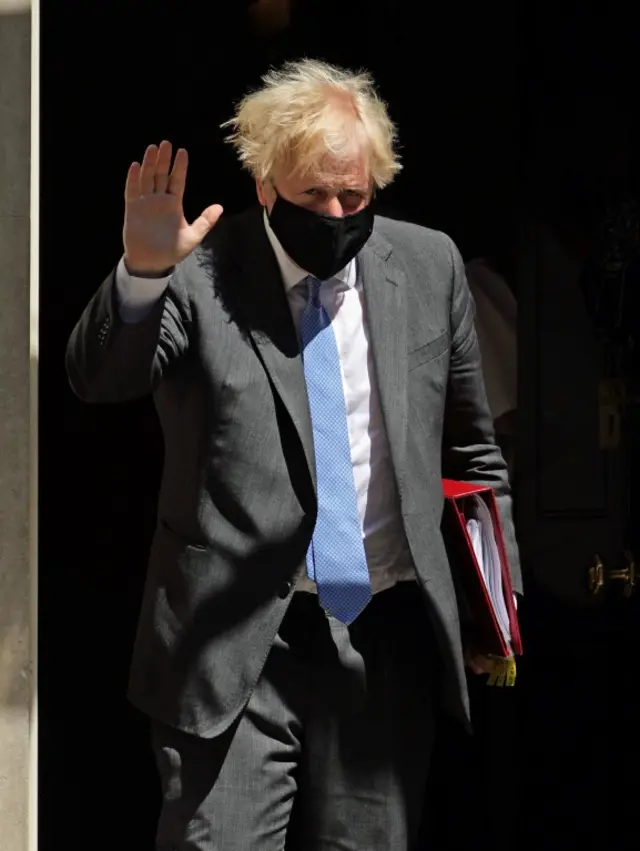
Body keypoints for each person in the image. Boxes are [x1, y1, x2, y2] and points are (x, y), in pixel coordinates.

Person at [66, 59, 521, 851]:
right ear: (265, 182)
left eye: (355, 196)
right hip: (230, 651)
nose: (338, 213)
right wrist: (143, 273)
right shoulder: (200, 268)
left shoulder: (428, 264)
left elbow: (473, 451)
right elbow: (99, 378)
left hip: (379, 642)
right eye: (315, 196)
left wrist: (495, 609)